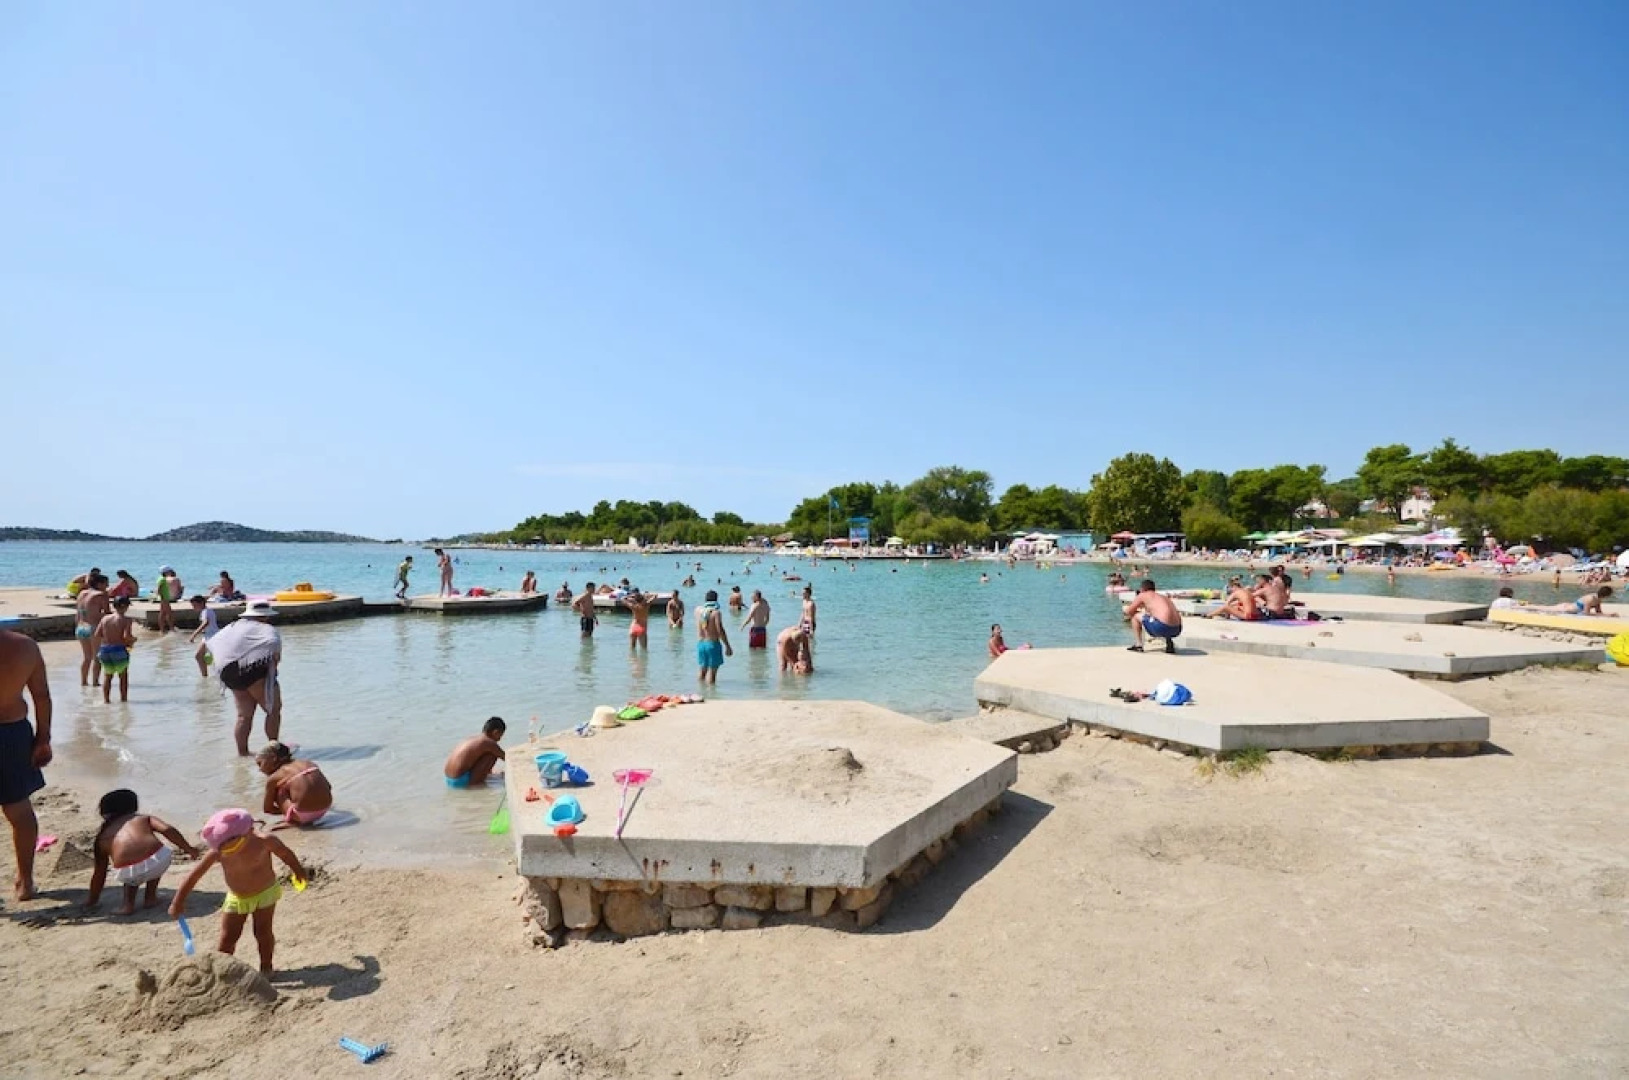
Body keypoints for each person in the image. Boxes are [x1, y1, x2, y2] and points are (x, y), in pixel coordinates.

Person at [170, 808, 307, 974]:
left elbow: (286, 854)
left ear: (249, 831)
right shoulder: (218, 853)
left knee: (262, 932)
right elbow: (193, 876)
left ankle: (266, 967)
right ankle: (222, 971)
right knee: (228, 937)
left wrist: (298, 870)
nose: (231, 849)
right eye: (226, 847)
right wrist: (178, 901)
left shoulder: (265, 841)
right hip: (237, 897)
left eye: (235, 844)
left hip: (265, 893)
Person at [86, 789, 200, 915]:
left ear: (104, 812)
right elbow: (167, 829)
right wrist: (188, 849)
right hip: (159, 861)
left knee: (131, 872)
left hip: (128, 872)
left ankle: (127, 905)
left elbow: (99, 873)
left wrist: (92, 899)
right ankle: (150, 898)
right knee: (153, 858)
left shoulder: (102, 837)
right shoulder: (144, 818)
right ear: (133, 807)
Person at [0, 630, 51, 901]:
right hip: (12, 733)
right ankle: (25, 882)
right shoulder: (25, 646)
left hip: (13, 733)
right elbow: (41, 695)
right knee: (20, 811)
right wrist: (43, 738)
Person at [212, 599, 283, 755]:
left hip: (228, 673)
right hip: (253, 672)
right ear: (265, 616)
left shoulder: (231, 627)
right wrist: (272, 672)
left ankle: (242, 753)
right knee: (273, 710)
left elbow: (212, 643)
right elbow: (274, 648)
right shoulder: (267, 629)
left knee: (244, 716)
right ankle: (274, 752)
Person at [257, 742, 333, 827]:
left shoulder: (275, 777)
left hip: (301, 814)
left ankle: (294, 820)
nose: (260, 769)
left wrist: (286, 811)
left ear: (273, 758)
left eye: (260, 763)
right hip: (325, 808)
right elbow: (329, 787)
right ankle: (304, 813)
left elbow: (268, 809)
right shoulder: (309, 763)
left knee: (279, 788)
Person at [93, 597, 137, 703]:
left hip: (104, 650)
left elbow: (97, 634)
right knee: (123, 677)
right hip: (119, 650)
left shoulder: (105, 619)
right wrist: (133, 640)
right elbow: (126, 636)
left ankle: (106, 700)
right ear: (125, 607)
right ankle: (124, 700)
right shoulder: (126, 620)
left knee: (107, 676)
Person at [1124, 579, 1183, 654]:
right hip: (1177, 629)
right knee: (1162, 618)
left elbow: (1128, 612)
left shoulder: (1143, 595)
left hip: (1162, 627)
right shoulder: (1163, 597)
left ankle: (1138, 645)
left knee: (1135, 616)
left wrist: (1138, 609)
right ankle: (1169, 643)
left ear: (1142, 589)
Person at [444, 717, 506, 787]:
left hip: (448, 780)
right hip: (460, 781)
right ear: (495, 732)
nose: (499, 739)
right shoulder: (489, 743)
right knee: (492, 755)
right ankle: (475, 785)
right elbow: (506, 758)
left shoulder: (474, 739)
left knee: (485, 754)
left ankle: (482, 777)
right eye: (500, 736)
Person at [74, 573, 111, 686]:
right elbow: (107, 613)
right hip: (93, 627)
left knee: (87, 658)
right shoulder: (101, 595)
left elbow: (79, 612)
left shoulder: (81, 594)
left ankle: (83, 682)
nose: (107, 586)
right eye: (106, 584)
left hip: (81, 627)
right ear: (99, 584)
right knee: (97, 657)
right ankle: (95, 682)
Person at [695, 591, 733, 683]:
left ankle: (701, 691)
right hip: (712, 644)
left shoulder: (698, 611)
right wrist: (727, 646)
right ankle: (711, 695)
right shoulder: (716, 613)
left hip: (701, 644)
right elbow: (720, 629)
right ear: (716, 599)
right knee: (712, 672)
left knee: (702, 671)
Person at [187, 595, 220, 677]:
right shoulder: (207, 610)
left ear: (201, 603)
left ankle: (209, 676)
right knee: (199, 656)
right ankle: (205, 676)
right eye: (193, 606)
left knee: (200, 656)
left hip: (212, 637)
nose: (193, 608)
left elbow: (206, 622)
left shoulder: (205, 611)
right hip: (208, 636)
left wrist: (194, 634)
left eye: (195, 605)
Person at [155, 566, 184, 632]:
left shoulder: (161, 578)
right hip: (164, 598)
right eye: (170, 571)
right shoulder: (162, 579)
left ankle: (162, 629)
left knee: (162, 613)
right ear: (166, 572)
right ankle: (171, 628)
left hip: (164, 598)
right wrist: (162, 597)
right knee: (169, 613)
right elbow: (159, 589)